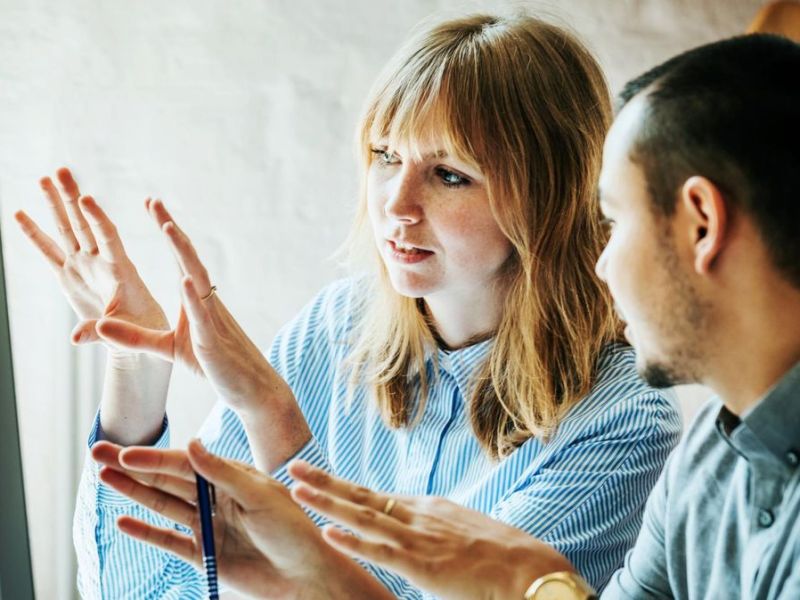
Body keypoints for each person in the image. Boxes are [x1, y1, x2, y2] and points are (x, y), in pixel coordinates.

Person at [106, 32, 800, 600]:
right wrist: (132, 370)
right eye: (384, 157)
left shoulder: (626, 418)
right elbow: (148, 585)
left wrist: (276, 430)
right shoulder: (713, 452)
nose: (395, 206)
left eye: (450, 174)